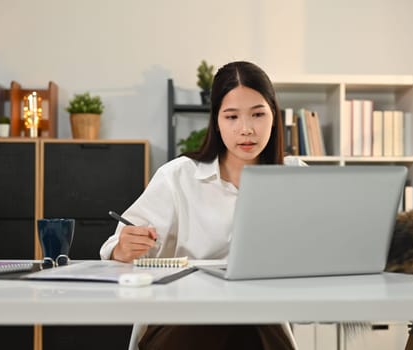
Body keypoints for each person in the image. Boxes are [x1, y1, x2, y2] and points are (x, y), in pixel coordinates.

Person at [100, 61, 302, 350]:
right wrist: (124, 247)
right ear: (217, 123)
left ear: (274, 116)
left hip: (258, 321)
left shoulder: (297, 176)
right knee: (221, 312)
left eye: (258, 114)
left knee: (247, 316)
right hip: (183, 320)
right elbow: (116, 247)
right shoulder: (178, 176)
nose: (246, 129)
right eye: (231, 117)